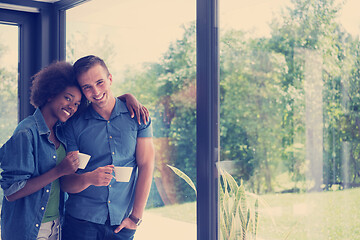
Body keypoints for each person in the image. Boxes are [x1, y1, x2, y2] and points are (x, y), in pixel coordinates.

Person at [0, 61, 148, 240]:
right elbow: (12, 191)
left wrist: (126, 97)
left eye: (77, 103)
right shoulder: (28, 132)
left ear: (110, 79)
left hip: (56, 224)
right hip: (32, 226)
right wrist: (62, 171)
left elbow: (101, 100)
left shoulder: (60, 130)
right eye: (68, 98)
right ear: (50, 94)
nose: (72, 106)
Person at [60, 55, 155, 240]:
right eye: (87, 87)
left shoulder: (138, 117)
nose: (96, 92)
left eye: (100, 82)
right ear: (81, 90)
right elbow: (65, 183)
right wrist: (88, 178)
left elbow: (146, 166)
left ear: (110, 79)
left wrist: (136, 217)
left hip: (121, 224)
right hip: (80, 223)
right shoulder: (73, 125)